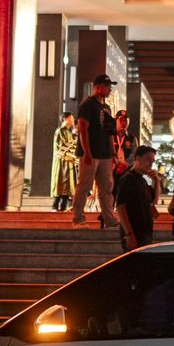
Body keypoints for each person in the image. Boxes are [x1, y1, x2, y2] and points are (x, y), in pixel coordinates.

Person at [70, 74, 118, 230]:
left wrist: (113, 153)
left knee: (106, 188)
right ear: (98, 87)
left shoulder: (107, 107)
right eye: (107, 86)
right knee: (84, 186)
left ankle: (109, 220)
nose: (110, 89)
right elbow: (83, 129)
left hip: (104, 154)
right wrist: (87, 152)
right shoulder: (87, 106)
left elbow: (111, 132)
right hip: (90, 154)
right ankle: (78, 220)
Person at [115, 143, 159, 249]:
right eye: (148, 160)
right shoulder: (128, 179)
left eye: (152, 162)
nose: (150, 164)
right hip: (134, 231)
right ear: (138, 158)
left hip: (145, 232)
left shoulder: (142, 180)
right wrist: (129, 234)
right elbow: (121, 207)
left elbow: (154, 201)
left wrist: (157, 181)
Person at [49, 112, 79, 212]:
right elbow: (60, 148)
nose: (72, 119)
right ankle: (55, 206)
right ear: (65, 119)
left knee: (68, 186)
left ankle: (63, 207)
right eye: (71, 117)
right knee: (61, 184)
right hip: (62, 163)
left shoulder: (69, 133)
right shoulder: (60, 131)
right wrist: (71, 154)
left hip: (69, 163)